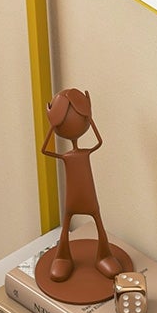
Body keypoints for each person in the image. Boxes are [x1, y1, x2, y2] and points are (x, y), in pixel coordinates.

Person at [41, 88, 123, 284]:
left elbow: (99, 141)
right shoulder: (68, 156)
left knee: (98, 220)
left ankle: (104, 256)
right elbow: (44, 150)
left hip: (88, 195)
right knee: (67, 221)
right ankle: (63, 257)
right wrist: (53, 125)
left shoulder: (83, 153)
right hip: (73, 196)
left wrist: (89, 116)